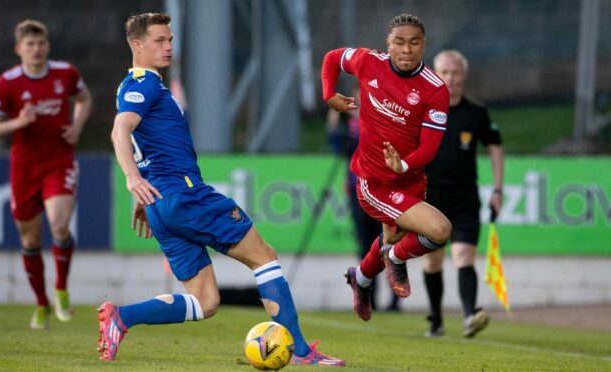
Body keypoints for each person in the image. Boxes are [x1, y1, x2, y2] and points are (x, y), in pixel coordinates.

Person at [97, 13, 344, 366]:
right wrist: (132, 178)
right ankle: (303, 352)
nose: (168, 46)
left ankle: (122, 317)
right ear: (136, 45)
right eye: (159, 41)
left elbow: (143, 139)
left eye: (170, 39)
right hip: (185, 196)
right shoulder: (145, 83)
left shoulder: (130, 86)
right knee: (265, 258)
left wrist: (145, 191)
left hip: (161, 205)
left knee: (206, 302)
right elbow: (120, 130)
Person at [321, 13, 452, 321]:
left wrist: (404, 164)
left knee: (392, 239)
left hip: (411, 179)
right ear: (388, 45)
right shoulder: (368, 62)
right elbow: (332, 58)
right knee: (439, 230)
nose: (406, 50)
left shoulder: (435, 89)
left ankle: (362, 278)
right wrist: (329, 95)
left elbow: (430, 147)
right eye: (399, 42)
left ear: (424, 46)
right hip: (374, 182)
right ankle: (395, 259)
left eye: (414, 43)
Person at [0, 19, 92, 329]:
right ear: (19, 49)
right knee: (30, 238)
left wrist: (76, 127)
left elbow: (84, 99)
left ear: (47, 46)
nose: (36, 49)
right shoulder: (7, 83)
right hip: (23, 166)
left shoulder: (66, 73)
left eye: (40, 44)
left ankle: (61, 289)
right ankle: (41, 303)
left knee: (60, 226)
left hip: (59, 161)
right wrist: (17, 124)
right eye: (30, 44)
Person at [423, 50, 504, 338]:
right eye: (445, 72)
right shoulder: (424, 109)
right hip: (430, 199)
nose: (450, 78)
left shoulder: (476, 112)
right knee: (432, 260)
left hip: (465, 199)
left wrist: (498, 188)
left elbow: (495, 145)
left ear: (464, 76)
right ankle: (436, 321)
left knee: (464, 255)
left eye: (455, 73)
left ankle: (470, 315)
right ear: (435, 73)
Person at [326, 87, 399, 311]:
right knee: (366, 247)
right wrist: (335, 111)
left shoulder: (385, 122)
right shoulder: (349, 128)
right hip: (359, 193)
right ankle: (371, 296)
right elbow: (335, 142)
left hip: (384, 194)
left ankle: (395, 297)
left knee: (389, 245)